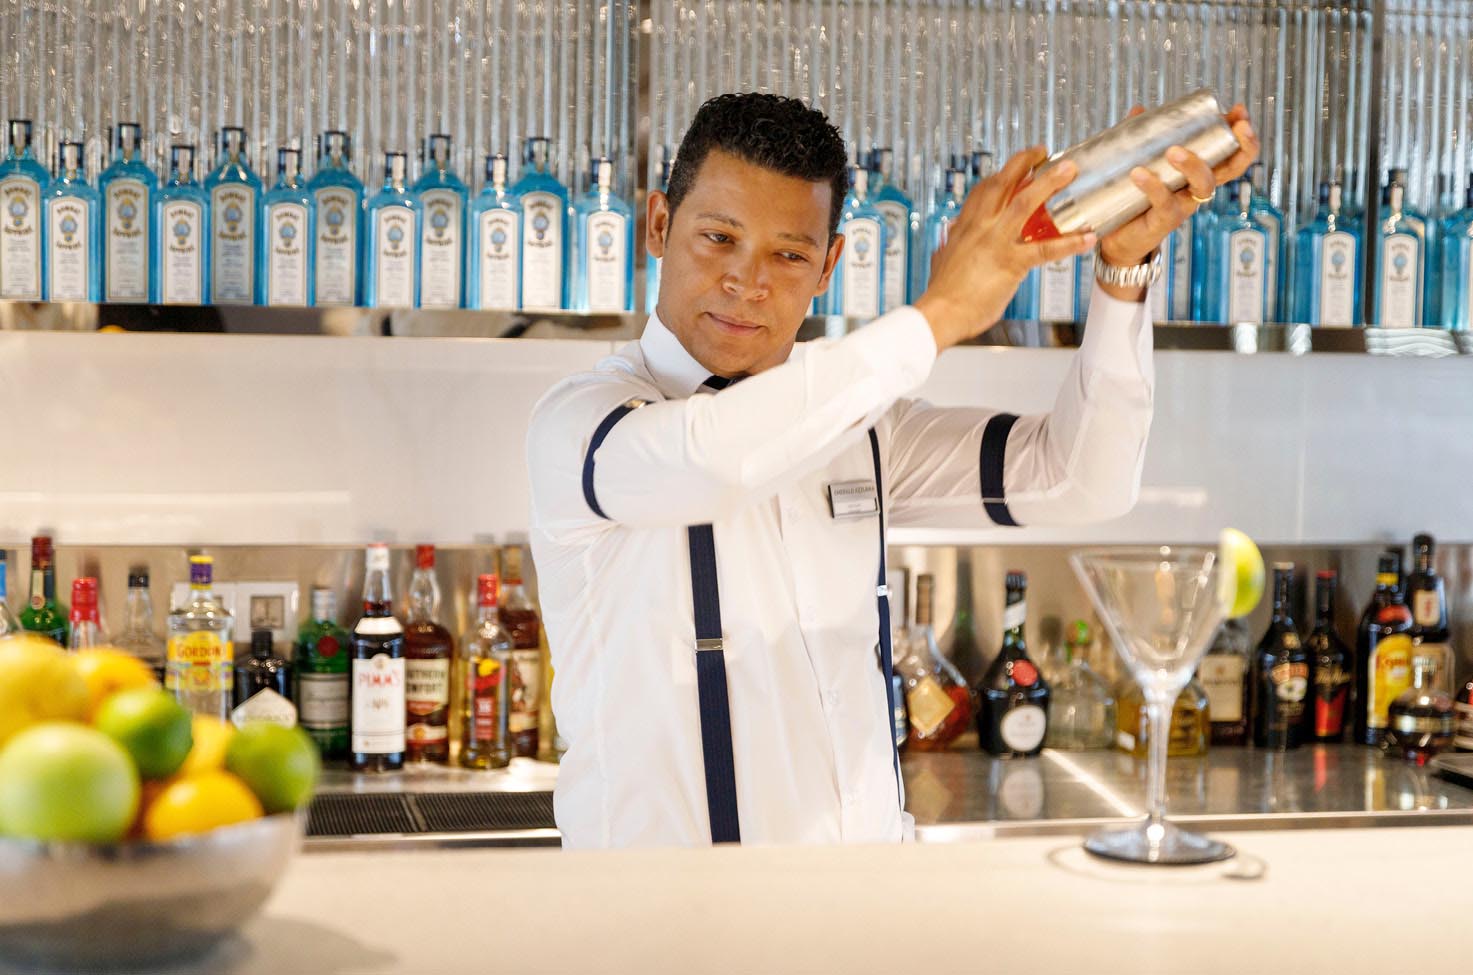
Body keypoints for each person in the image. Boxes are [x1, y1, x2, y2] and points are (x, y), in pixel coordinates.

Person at [528, 92, 1259, 849]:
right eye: (717, 237)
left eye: (788, 253)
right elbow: (711, 459)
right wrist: (938, 314)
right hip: (666, 938)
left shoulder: (863, 429)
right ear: (657, 225)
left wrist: (1121, 271)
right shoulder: (585, 425)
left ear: (828, 266)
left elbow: (1084, 480)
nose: (748, 282)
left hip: (866, 913)